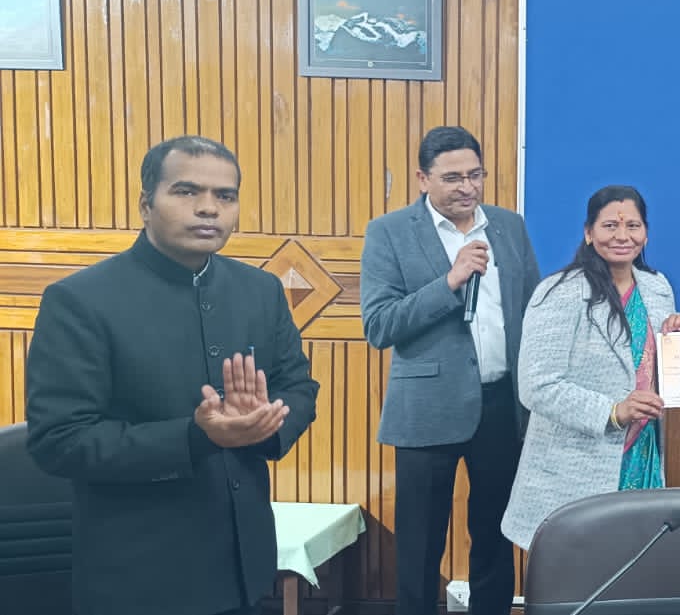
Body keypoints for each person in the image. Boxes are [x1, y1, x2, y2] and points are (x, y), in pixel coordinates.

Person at [25, 135, 321, 615]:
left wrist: (264, 424)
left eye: (225, 196)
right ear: (146, 204)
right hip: (137, 576)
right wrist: (195, 437)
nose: (209, 208)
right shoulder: (80, 301)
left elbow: (299, 387)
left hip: (243, 568)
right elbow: (58, 440)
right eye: (186, 191)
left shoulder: (260, 290)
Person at [360, 125, 540, 615]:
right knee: (420, 542)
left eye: (475, 175)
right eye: (453, 178)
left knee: (495, 534)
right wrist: (450, 281)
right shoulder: (389, 232)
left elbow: (532, 309)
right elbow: (379, 325)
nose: (467, 187)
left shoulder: (509, 226)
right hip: (427, 409)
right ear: (423, 179)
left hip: (502, 404)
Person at [500, 185, 680, 547]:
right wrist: (613, 412)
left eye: (633, 226)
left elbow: (648, 365)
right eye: (610, 226)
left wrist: (675, 342)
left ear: (646, 233)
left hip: (642, 452)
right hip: (575, 465)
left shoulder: (657, 288)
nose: (622, 236)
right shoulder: (559, 292)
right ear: (589, 233)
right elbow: (537, 385)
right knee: (581, 568)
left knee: (637, 561)